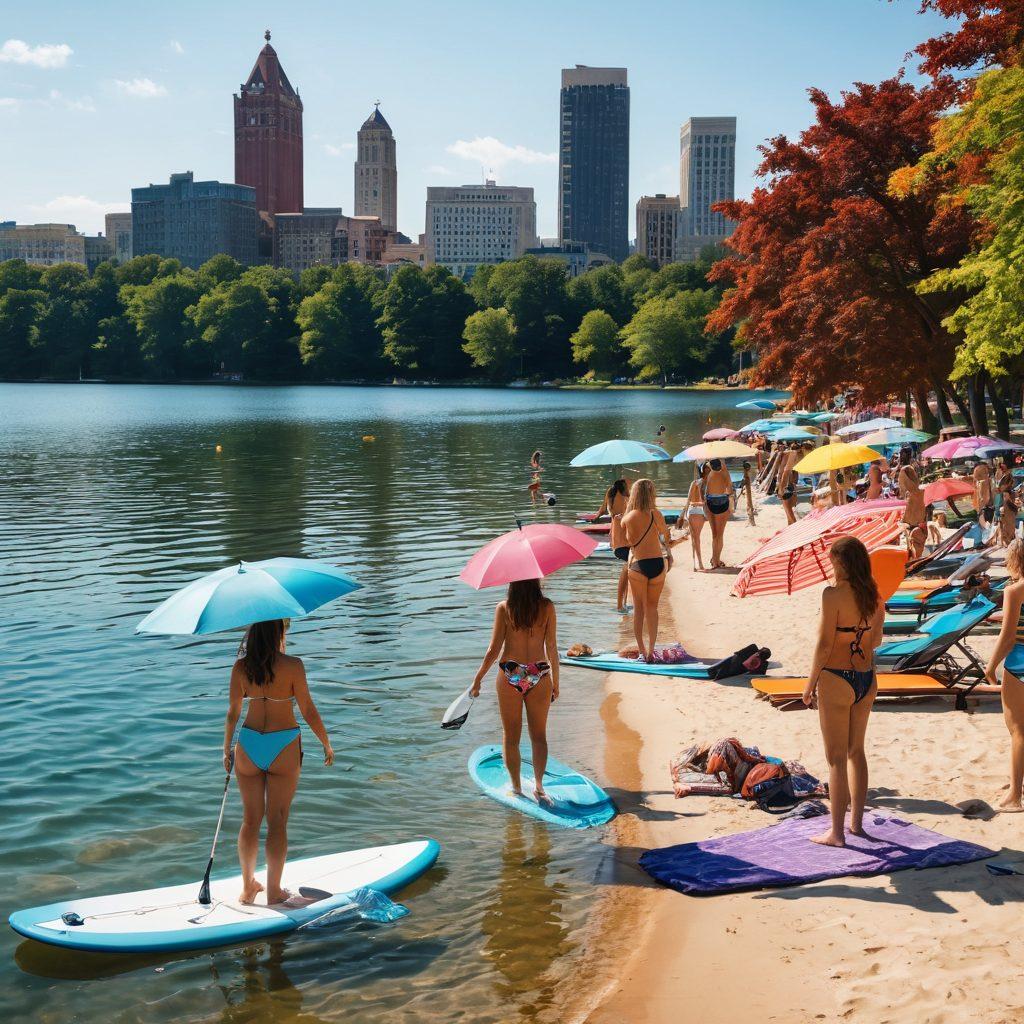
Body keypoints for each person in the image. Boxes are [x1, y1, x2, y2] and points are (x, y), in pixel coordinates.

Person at [224, 619, 334, 905]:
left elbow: (232, 713)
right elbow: (308, 709)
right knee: (277, 822)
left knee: (250, 821)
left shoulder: (240, 668)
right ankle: (273, 892)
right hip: (283, 742)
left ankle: (248, 887)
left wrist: (226, 750)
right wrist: (326, 742)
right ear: (279, 632)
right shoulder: (293, 665)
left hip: (248, 743)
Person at [802, 537, 884, 847]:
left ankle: (836, 833)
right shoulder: (875, 597)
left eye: (833, 561)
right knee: (856, 751)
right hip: (866, 677)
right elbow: (875, 641)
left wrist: (809, 685)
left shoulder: (832, 595)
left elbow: (824, 645)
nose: (830, 566)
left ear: (843, 564)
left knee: (835, 758)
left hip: (836, 678)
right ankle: (857, 825)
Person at [471, 579, 559, 804]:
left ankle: (517, 788)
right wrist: (556, 681)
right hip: (539, 673)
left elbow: (494, 649)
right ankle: (539, 788)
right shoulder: (547, 606)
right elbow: (551, 647)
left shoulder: (504, 608)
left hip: (511, 672)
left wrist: (478, 678)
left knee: (511, 738)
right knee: (539, 736)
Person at [985, 539, 1024, 812]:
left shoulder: (1014, 591)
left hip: (1021, 662)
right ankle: (1016, 780)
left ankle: (1015, 796)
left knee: (1018, 730)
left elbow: (1008, 636)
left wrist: (990, 666)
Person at [622, 478, 672, 661]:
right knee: (652, 607)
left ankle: (642, 651)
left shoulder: (627, 518)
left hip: (638, 565)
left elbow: (626, 542)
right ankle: (652, 650)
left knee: (639, 609)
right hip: (658, 564)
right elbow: (665, 534)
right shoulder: (656, 514)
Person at [603, 479, 632, 613]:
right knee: (627, 569)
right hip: (624, 541)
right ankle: (621, 604)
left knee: (628, 570)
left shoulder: (612, 496)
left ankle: (624, 602)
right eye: (627, 485)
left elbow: (607, 510)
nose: (629, 487)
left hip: (619, 542)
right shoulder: (626, 499)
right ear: (623, 487)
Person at [704, 457, 733, 569]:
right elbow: (730, 491)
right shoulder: (725, 473)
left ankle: (714, 559)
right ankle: (716, 560)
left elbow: (704, 489)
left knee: (714, 534)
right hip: (722, 501)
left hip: (709, 501)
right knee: (719, 535)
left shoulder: (708, 473)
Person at [682, 463, 708, 571]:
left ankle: (696, 563)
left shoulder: (696, 483)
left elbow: (689, 500)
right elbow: (693, 500)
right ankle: (699, 563)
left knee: (695, 538)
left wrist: (683, 515)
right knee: (696, 538)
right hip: (698, 511)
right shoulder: (702, 483)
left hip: (694, 511)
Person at [899, 464, 927, 559]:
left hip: (912, 528)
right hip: (918, 528)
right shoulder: (923, 492)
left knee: (913, 558)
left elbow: (906, 515)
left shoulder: (909, 495)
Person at [974, 459, 994, 525]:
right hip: (985, 508)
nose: (987, 472)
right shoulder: (983, 482)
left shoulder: (983, 482)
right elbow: (986, 498)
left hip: (984, 508)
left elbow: (986, 497)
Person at [738, 461, 756, 526]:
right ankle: (751, 520)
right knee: (749, 504)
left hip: (748, 492)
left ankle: (751, 520)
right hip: (749, 491)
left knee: (749, 505)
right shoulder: (747, 474)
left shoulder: (746, 475)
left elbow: (743, 484)